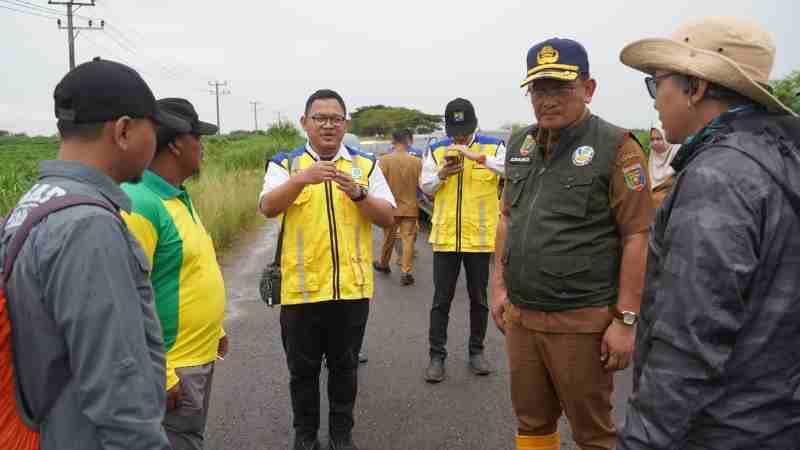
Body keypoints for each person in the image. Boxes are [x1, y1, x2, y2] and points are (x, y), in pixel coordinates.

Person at [617, 16, 800, 449]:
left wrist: (641, 442)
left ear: (695, 88)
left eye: (656, 83)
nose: (655, 101)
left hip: (717, 428)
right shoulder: (782, 157)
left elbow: (688, 342)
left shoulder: (719, 177)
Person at [0, 58, 184, 449]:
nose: (156, 143)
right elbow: (119, 389)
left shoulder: (33, 204)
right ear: (123, 130)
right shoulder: (88, 226)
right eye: (154, 128)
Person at [491, 38, 654, 450]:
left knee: (593, 432)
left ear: (589, 88)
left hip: (582, 320)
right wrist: (498, 287)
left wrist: (626, 320)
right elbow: (507, 218)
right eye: (539, 90)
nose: (547, 100)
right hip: (523, 317)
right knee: (531, 422)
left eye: (560, 88)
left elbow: (637, 235)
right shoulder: (520, 145)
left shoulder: (618, 147)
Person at [258, 89, 396, 450]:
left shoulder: (366, 165)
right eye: (320, 118)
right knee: (301, 373)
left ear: (345, 123)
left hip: (351, 291)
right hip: (301, 293)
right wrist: (301, 179)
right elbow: (267, 207)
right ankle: (305, 437)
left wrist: (359, 193)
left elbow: (389, 217)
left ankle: (340, 436)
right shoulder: (284, 164)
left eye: (335, 118)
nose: (328, 125)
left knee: (345, 370)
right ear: (305, 123)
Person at [121, 98, 227, 450]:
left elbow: (187, 270)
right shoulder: (140, 203)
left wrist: (216, 329)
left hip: (196, 357)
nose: (203, 146)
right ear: (176, 143)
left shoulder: (176, 195)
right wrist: (162, 374)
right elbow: (125, 298)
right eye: (198, 136)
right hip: (173, 366)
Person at [421, 97, 505, 382]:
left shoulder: (494, 146)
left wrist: (477, 158)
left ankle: (476, 351)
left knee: (478, 298)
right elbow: (426, 187)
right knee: (440, 300)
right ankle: (436, 356)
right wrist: (442, 174)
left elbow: (512, 171)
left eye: (465, 130)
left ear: (475, 123)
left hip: (480, 239)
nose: (460, 136)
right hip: (445, 237)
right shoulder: (435, 149)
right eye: (455, 131)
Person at [373, 130, 423, 285]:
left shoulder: (384, 160)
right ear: (408, 140)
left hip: (391, 207)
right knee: (408, 240)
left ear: (393, 141)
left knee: (388, 238)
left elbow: (378, 184)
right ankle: (406, 272)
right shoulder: (416, 161)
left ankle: (383, 264)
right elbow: (422, 185)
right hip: (410, 207)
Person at [647, 127, 680, 208]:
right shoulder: (653, 153)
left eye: (659, 139)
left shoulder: (677, 151)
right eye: (652, 139)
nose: (654, 143)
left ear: (666, 138)